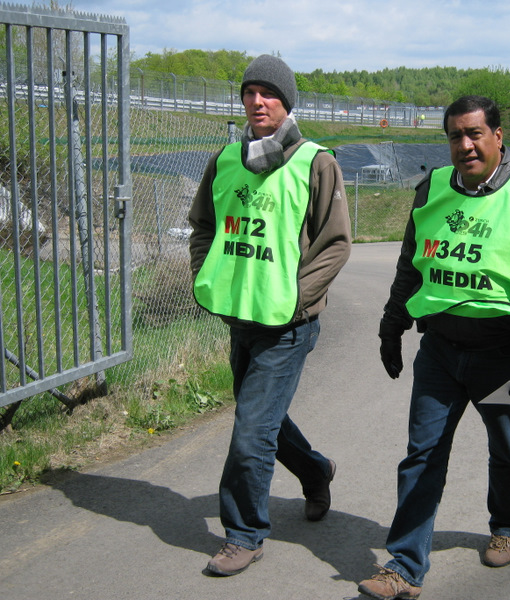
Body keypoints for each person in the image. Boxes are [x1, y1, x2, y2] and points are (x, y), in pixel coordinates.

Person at [358, 95, 510, 599]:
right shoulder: (431, 189)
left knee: (508, 452)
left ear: (498, 136)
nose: (465, 144)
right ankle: (404, 567)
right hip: (440, 351)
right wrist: (392, 327)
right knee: (421, 456)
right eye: (455, 135)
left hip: (504, 356)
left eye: (475, 133)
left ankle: (505, 524)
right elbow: (412, 265)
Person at [188, 54, 351, 577]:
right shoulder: (225, 160)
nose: (257, 102)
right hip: (242, 318)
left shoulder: (315, 161)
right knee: (266, 421)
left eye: (268, 94)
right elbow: (203, 228)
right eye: (249, 92)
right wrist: (205, 278)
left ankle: (244, 534)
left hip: (289, 324)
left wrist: (294, 302)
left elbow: (335, 245)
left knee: (251, 429)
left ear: (286, 102)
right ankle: (315, 469)